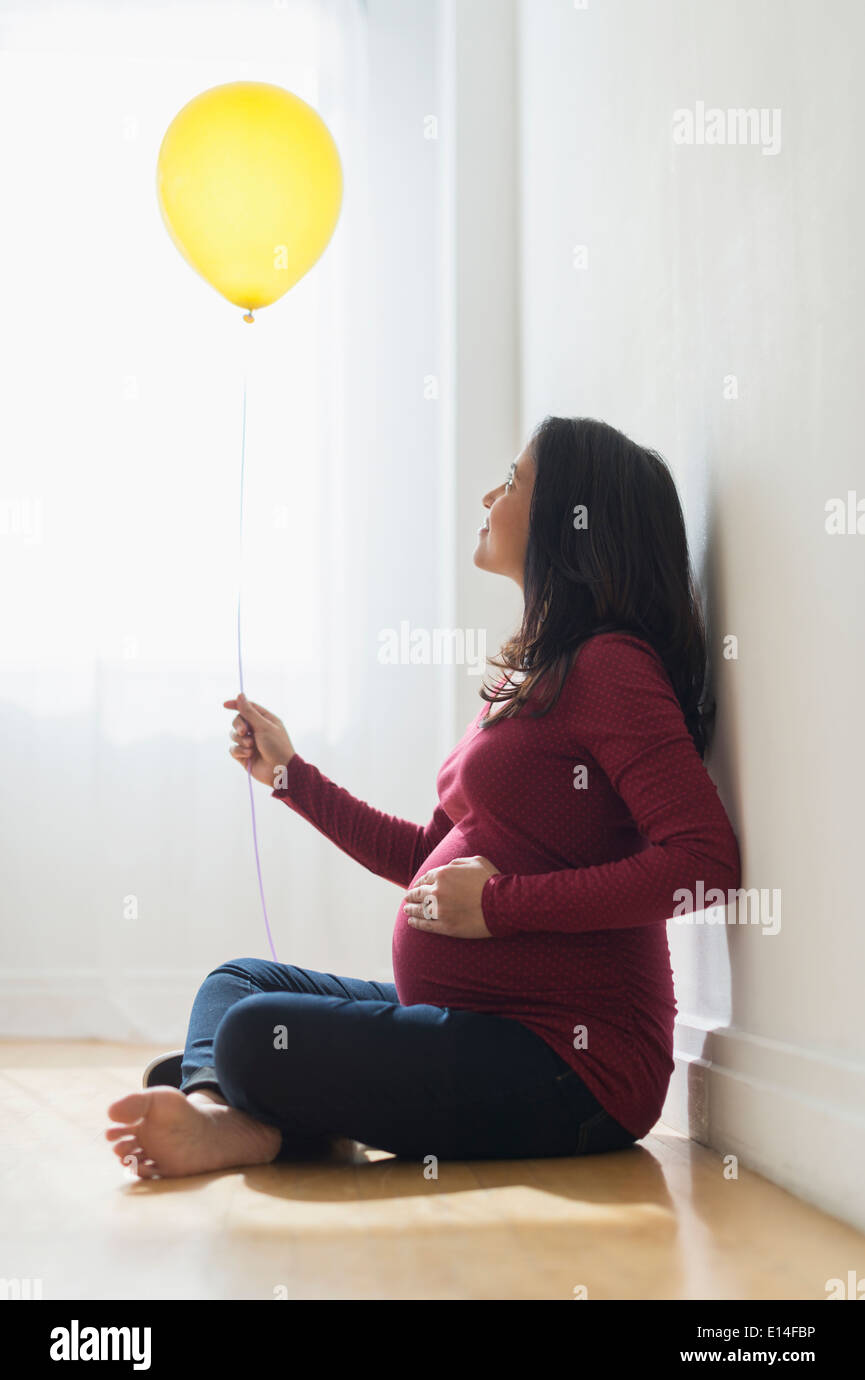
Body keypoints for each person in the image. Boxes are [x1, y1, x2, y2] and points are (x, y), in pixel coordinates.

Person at [105, 416, 741, 1179]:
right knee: (237, 985)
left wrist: (502, 905)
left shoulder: (610, 668)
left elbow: (704, 863)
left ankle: (258, 1115)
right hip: (474, 1025)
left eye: (512, 481)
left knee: (249, 1035)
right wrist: (291, 778)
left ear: (570, 519)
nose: (488, 493)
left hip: (574, 1069)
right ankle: (226, 1113)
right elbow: (425, 862)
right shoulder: (527, 682)